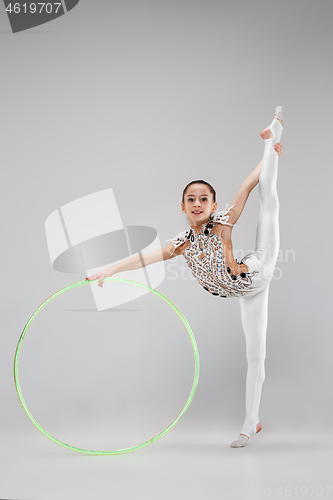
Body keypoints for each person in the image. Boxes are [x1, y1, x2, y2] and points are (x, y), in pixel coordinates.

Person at [86, 106, 284, 448]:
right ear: (183, 207)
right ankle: (251, 424)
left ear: (212, 204)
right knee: (255, 353)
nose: (197, 203)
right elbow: (144, 258)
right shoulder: (182, 244)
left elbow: (247, 186)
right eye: (191, 199)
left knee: (270, 203)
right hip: (243, 293)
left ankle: (274, 135)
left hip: (258, 267)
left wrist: (268, 157)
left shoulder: (222, 222)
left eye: (203, 199)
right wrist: (110, 268)